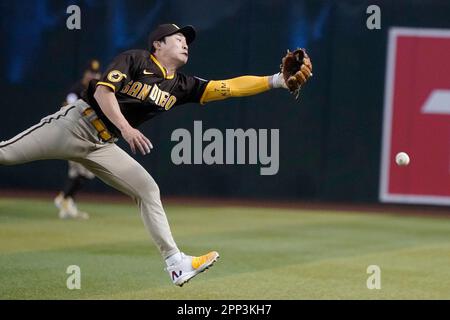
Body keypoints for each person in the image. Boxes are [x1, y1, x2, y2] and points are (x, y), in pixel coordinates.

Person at [0, 24, 312, 286]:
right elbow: (102, 92)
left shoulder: (181, 85)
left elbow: (228, 86)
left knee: (148, 190)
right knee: (6, 155)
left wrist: (275, 81)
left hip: (102, 144)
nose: (185, 43)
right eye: (178, 38)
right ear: (158, 44)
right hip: (75, 124)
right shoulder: (135, 60)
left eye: (187, 41)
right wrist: (126, 128)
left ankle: (175, 263)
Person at [54, 59, 102, 220]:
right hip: (74, 135)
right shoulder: (76, 90)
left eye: (96, 73)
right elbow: (69, 109)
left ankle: (67, 204)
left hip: (87, 135)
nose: (93, 75)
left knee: (79, 173)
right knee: (82, 172)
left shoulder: (98, 90)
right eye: (91, 73)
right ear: (85, 74)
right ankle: (64, 198)